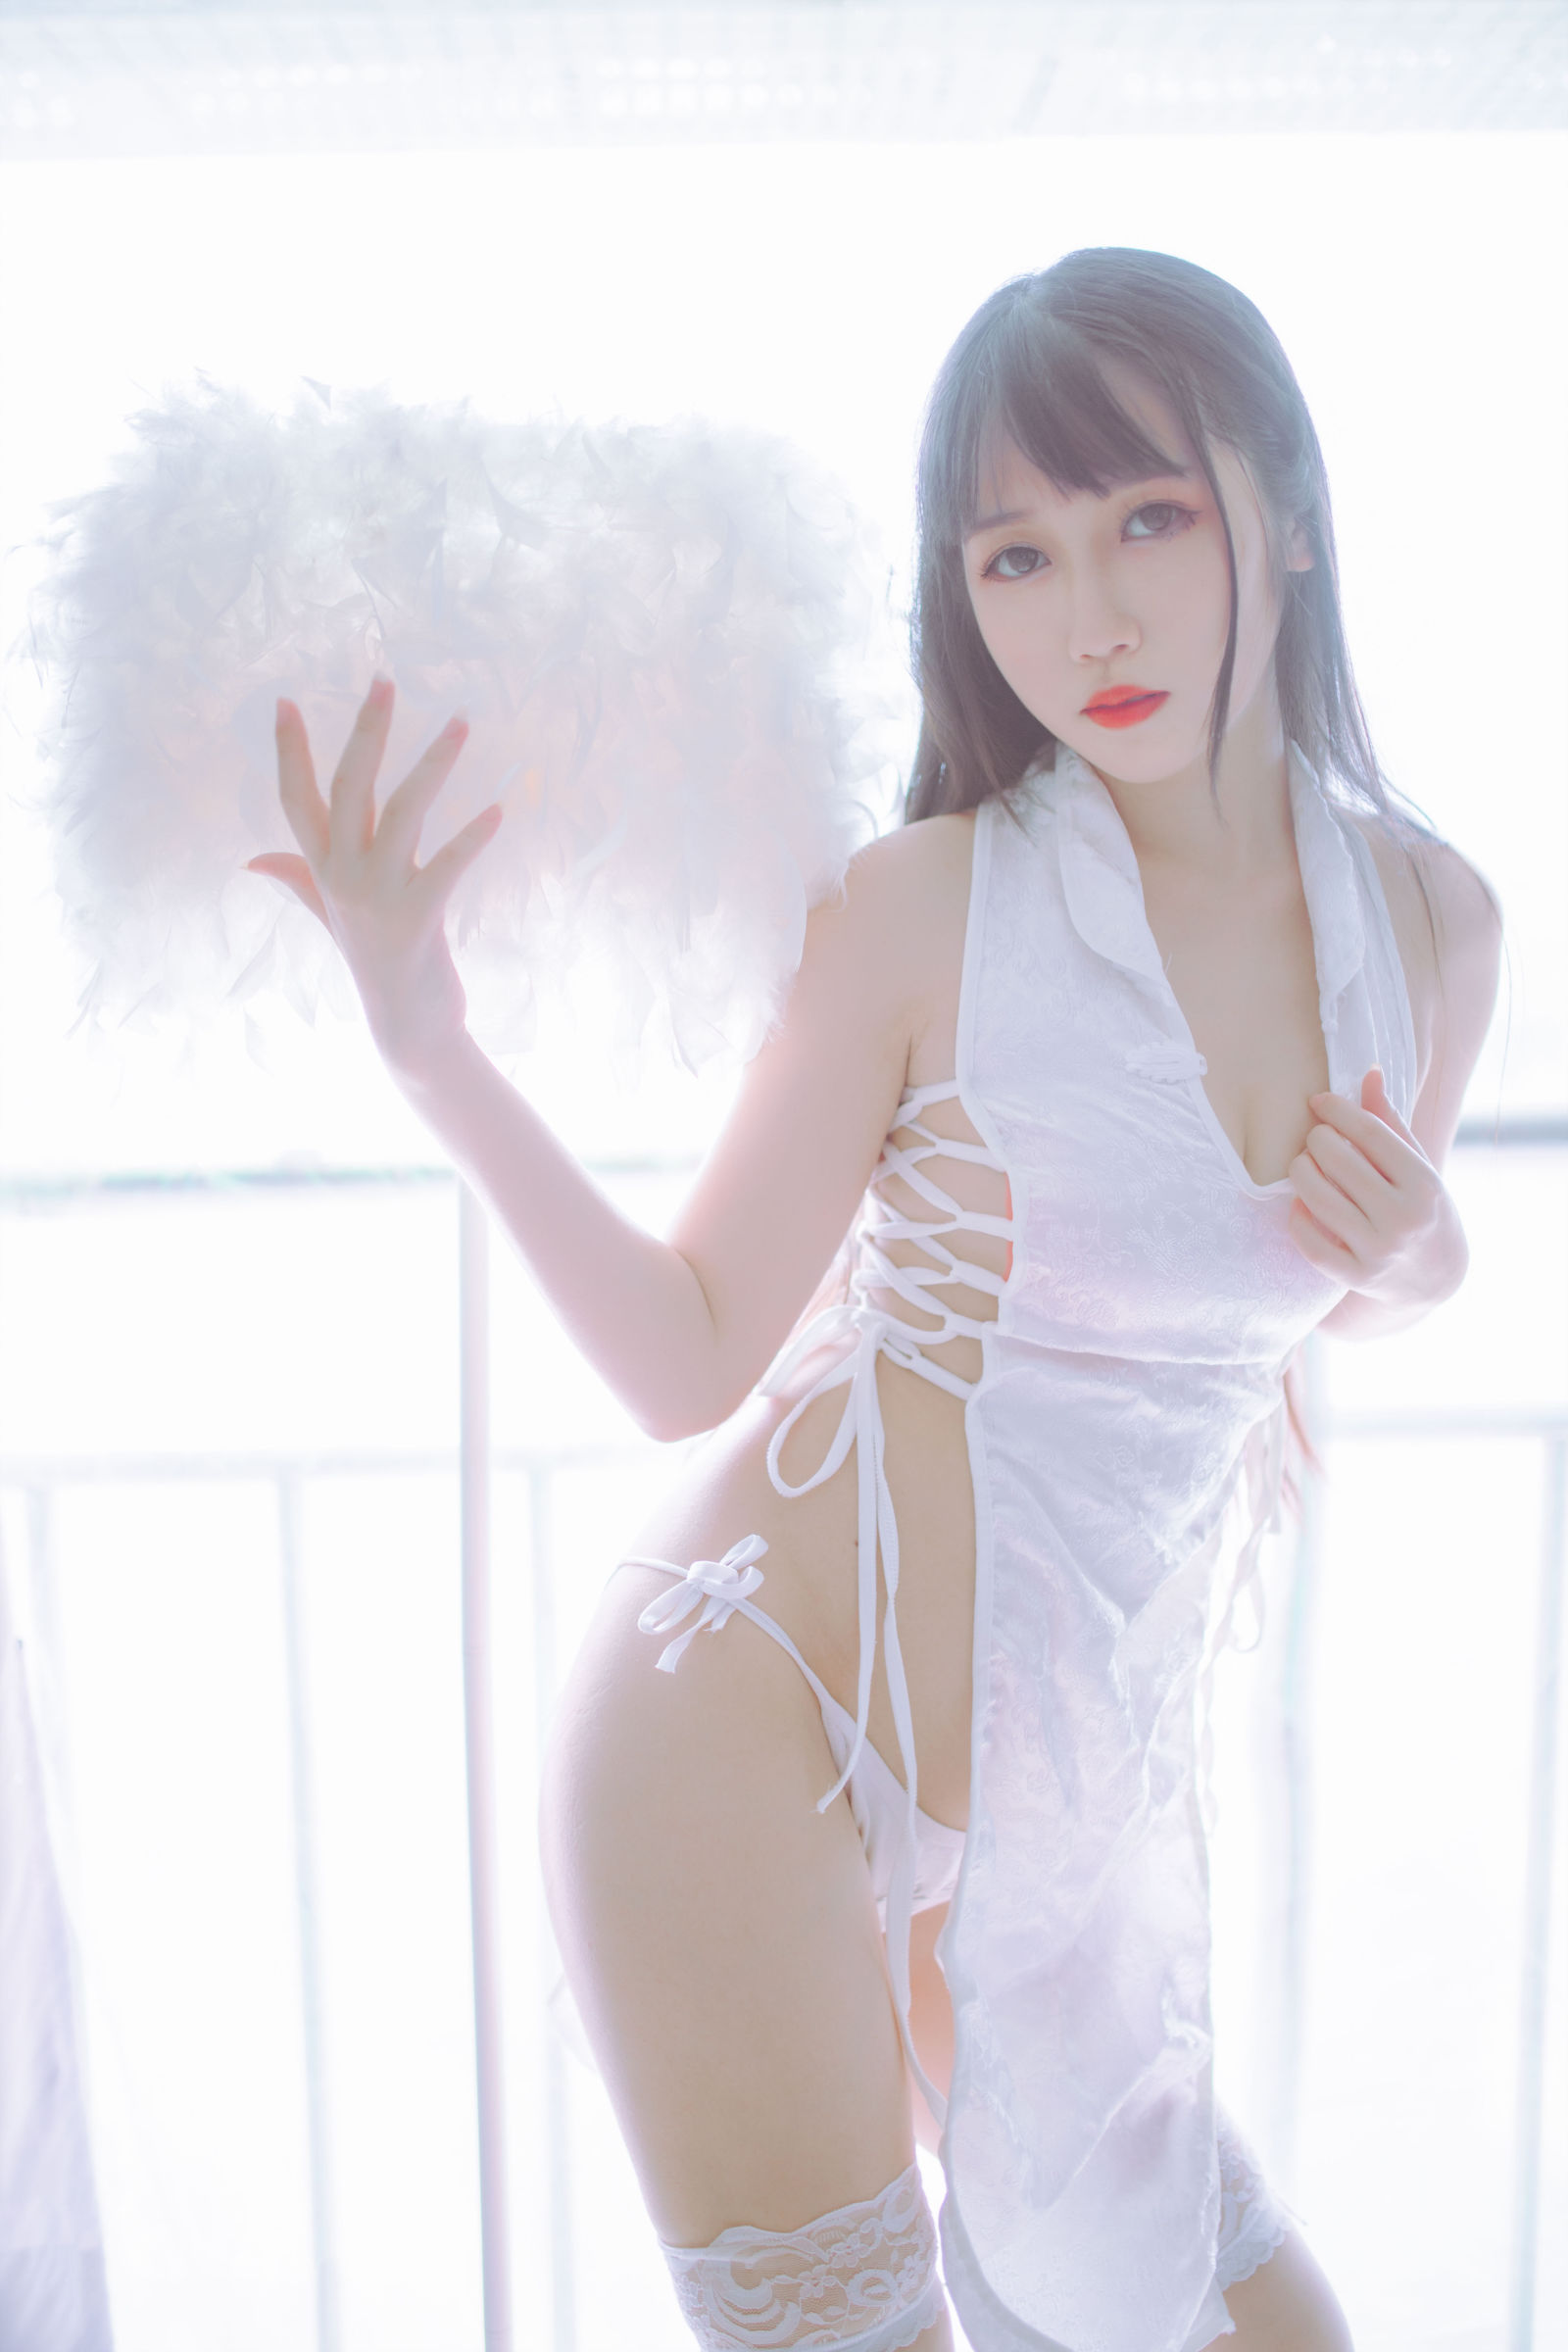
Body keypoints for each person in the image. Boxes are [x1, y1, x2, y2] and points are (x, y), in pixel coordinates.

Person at [250, 248, 1501, 2352]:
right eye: (1014, 556)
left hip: (1060, 1817)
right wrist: (430, 1051)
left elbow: (1332, 1290)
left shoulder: (1433, 926)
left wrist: (1429, 1251)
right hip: (742, 1727)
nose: (1088, 619)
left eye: (1147, 520)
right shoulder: (927, 910)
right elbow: (683, 1355)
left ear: (1282, 510)